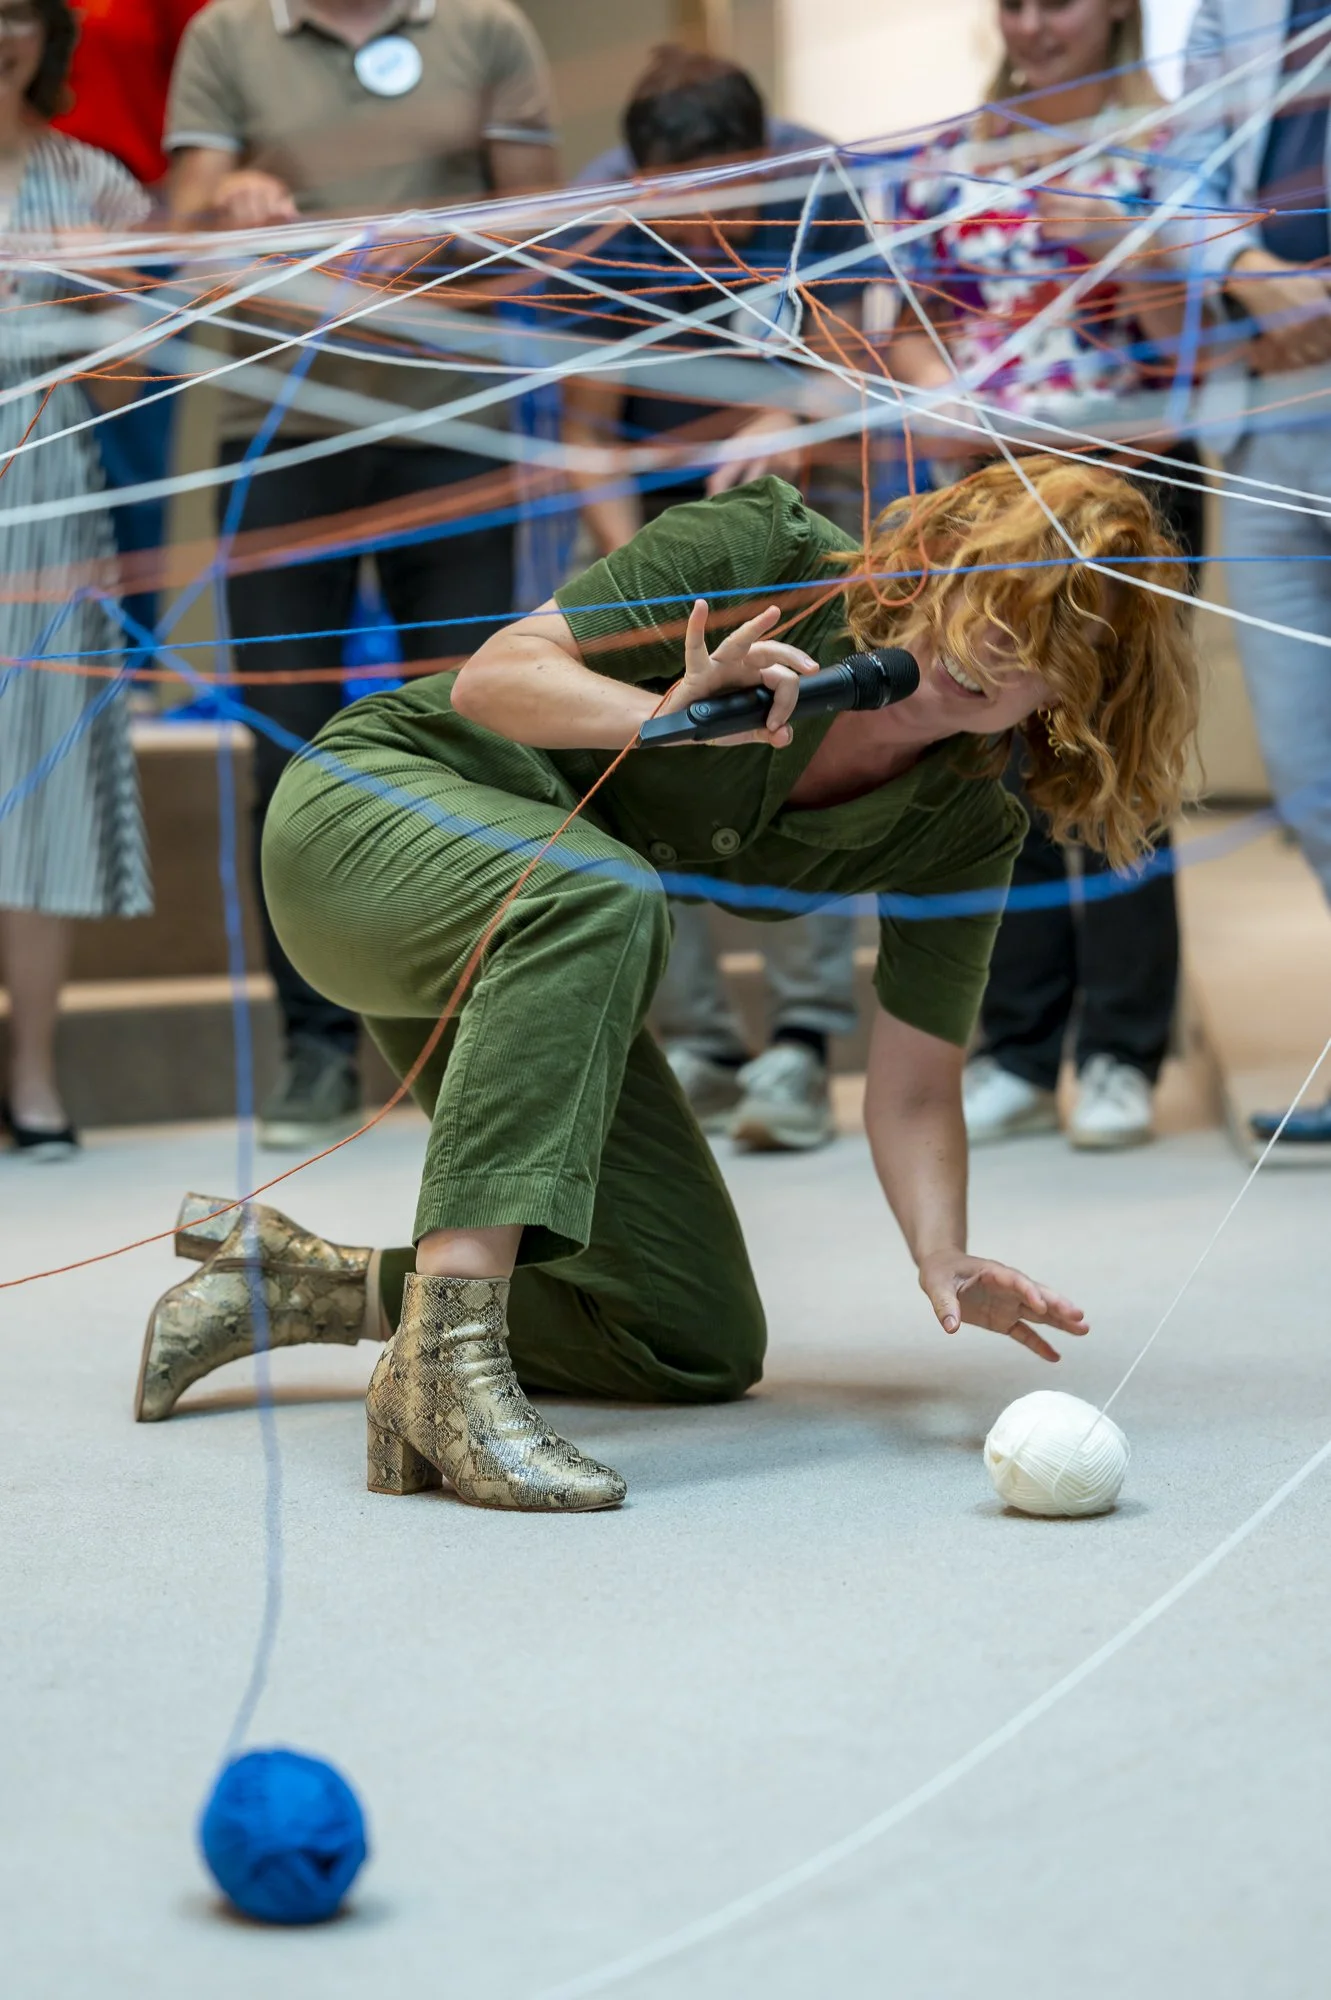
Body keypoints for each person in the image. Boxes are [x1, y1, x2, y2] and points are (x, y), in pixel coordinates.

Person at [136, 456, 1198, 1519]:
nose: (994, 650)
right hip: (372, 825)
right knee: (604, 893)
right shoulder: (766, 551)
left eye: (1045, 647)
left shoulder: (965, 827)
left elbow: (915, 1086)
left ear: (1079, 694)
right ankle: (443, 1375)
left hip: (528, 947)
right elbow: (492, 678)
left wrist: (942, 1251)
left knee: (690, 1333)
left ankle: (294, 1282)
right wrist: (661, 713)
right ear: (936, 564)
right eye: (992, 602)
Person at [164, 0, 558, 1148]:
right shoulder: (226, 35)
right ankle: (315, 1050)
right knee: (284, 742)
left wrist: (450, 236)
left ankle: (485, 1035)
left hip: (456, 426)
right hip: (278, 431)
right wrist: (230, 195)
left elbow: (540, 225)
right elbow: (185, 225)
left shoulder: (487, 29)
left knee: (484, 732)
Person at [890, 0, 1205, 1150]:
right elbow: (911, 324)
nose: (1032, 26)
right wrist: (939, 391)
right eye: (1011, 4)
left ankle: (1120, 1047)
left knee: (1120, 746)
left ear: (1116, 4)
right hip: (990, 492)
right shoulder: (943, 162)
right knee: (988, 747)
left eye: (1057, 2)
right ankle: (1017, 1044)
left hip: (1131, 488)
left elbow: (1190, 350)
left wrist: (1118, 249)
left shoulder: (1166, 148)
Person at [562, 45, 868, 1149]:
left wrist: (794, 411)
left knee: (798, 759)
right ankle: (696, 1041)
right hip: (651, 541)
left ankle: (800, 1040)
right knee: (645, 775)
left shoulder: (816, 187)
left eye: (725, 198)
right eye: (673, 208)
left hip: (795, 522)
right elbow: (586, 431)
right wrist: (629, 589)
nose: (701, 230)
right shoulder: (597, 219)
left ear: (761, 159)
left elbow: (857, 354)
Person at [0, 0, 153, 1159]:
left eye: (16, 12)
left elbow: (141, 376)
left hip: (48, 505)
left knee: (40, 791)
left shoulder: (96, 184)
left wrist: (105, 309)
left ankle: (35, 1075)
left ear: (49, 35)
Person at [1182, 0, 1331, 1144]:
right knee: (1307, 776)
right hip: (1261, 420)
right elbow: (1175, 169)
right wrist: (1245, 275)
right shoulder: (1224, 10)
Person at [53, 0, 210, 672]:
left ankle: (126, 679)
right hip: (11, 221)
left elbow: (214, 106)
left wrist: (148, 233)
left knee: (128, 467)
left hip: (131, 232)